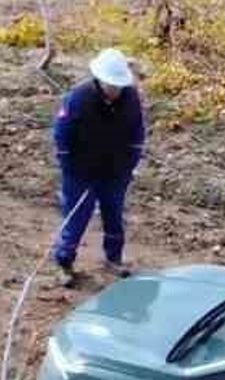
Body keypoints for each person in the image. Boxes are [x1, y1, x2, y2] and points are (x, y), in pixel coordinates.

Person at [50, 48, 147, 287]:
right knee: (76, 217)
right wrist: (70, 166)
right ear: (100, 80)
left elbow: (137, 134)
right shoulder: (78, 98)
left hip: (115, 171)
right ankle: (64, 262)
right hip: (81, 171)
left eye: (118, 86)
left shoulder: (131, 99)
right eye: (110, 86)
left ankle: (113, 258)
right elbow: (62, 136)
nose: (114, 91)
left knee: (114, 214)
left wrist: (129, 165)